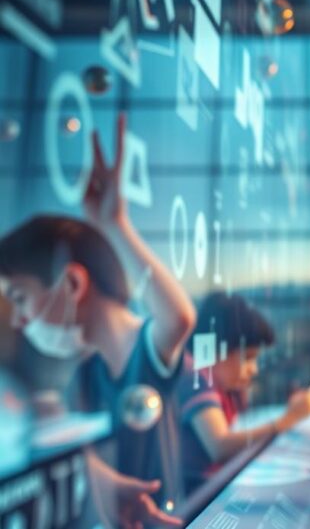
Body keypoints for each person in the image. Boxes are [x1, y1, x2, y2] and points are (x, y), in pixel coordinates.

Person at [0, 114, 193, 526]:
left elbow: (178, 317)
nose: (17, 319)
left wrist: (113, 224)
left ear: (71, 283)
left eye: (20, 297)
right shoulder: (84, 373)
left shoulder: (143, 347)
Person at [178, 292, 310, 494]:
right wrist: (289, 418)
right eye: (248, 357)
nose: (254, 369)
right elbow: (219, 446)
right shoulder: (196, 377)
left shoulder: (219, 383)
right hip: (198, 496)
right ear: (218, 348)